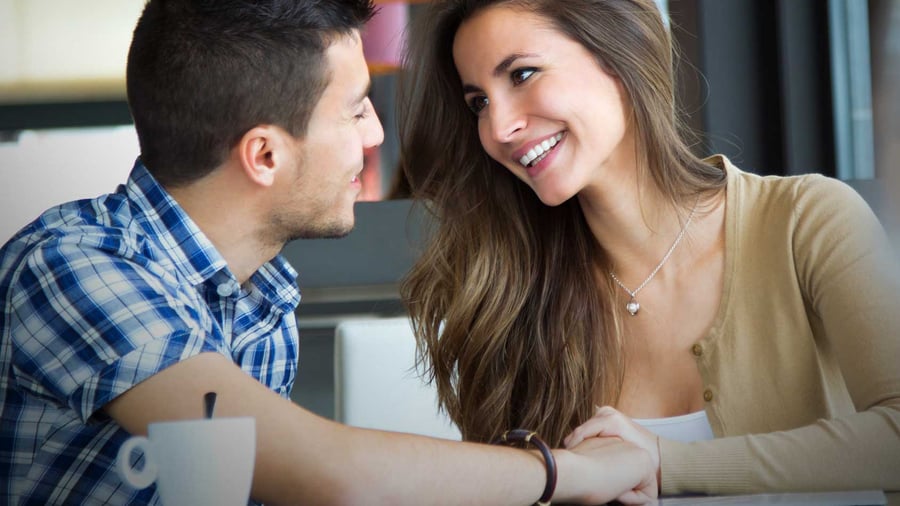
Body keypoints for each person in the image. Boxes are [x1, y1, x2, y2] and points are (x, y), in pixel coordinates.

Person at [0, 1, 659, 504]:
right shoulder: (71, 267)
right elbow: (331, 474)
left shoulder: (262, 294)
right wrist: (573, 473)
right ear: (264, 155)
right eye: (356, 110)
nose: (376, 135)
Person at [397, 0, 900, 497]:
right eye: (479, 103)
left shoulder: (805, 220)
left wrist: (665, 463)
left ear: (621, 53)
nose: (498, 128)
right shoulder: (511, 298)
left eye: (522, 75)